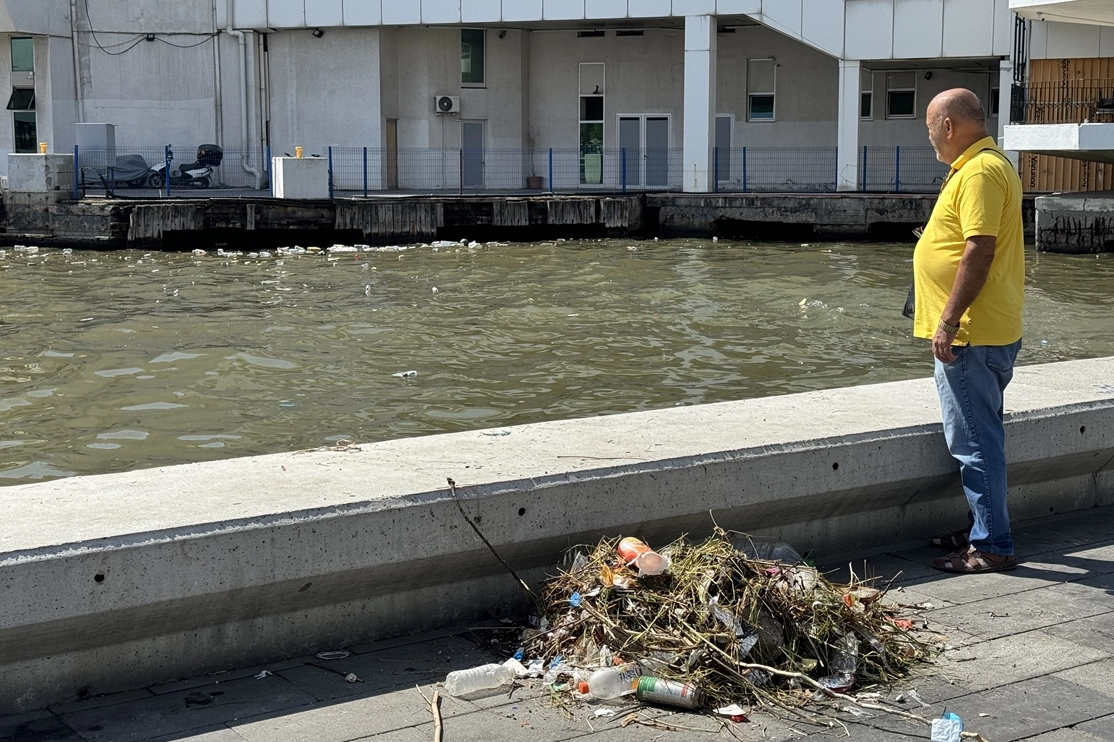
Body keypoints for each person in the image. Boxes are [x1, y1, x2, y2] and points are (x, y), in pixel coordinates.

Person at [913, 88, 1025, 573]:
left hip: (970, 336)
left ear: (950, 126)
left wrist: (949, 320)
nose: (930, 137)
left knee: (975, 442)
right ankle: (981, 525)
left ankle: (992, 545)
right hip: (986, 330)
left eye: (930, 127)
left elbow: (979, 248)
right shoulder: (986, 165)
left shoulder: (979, 171)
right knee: (981, 435)